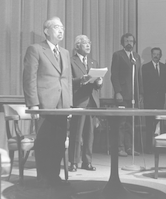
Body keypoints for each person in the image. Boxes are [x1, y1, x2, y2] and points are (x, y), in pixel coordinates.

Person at [23, 17, 72, 187]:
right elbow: (29, 78)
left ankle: (54, 176)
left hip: (62, 106)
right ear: (46, 31)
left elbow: (67, 81)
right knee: (44, 141)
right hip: (44, 104)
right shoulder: (36, 49)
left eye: (62, 28)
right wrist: (33, 104)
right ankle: (43, 178)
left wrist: (69, 105)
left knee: (59, 141)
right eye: (57, 27)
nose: (61, 31)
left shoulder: (65, 52)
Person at [68, 35, 103, 172]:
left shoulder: (93, 62)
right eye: (84, 43)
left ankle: (87, 162)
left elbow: (97, 85)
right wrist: (81, 80)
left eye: (89, 43)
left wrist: (99, 83)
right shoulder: (71, 61)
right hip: (79, 101)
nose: (88, 45)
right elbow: (68, 81)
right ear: (77, 46)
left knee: (89, 134)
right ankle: (73, 162)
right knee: (76, 133)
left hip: (92, 102)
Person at [110, 33, 142, 157]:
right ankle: (120, 147)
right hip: (122, 95)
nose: (129, 43)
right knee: (122, 122)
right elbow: (114, 75)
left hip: (134, 95)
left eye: (131, 41)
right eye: (126, 41)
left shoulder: (137, 57)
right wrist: (118, 92)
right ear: (122, 43)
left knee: (131, 122)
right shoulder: (118, 55)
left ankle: (130, 147)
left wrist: (141, 93)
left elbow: (139, 76)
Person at [142, 47, 166, 153]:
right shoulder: (145, 67)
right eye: (154, 54)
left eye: (158, 54)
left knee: (159, 124)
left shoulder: (164, 67)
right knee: (149, 124)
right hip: (149, 100)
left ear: (160, 55)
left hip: (160, 100)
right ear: (151, 55)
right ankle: (148, 147)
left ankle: (159, 147)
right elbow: (144, 83)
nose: (156, 56)